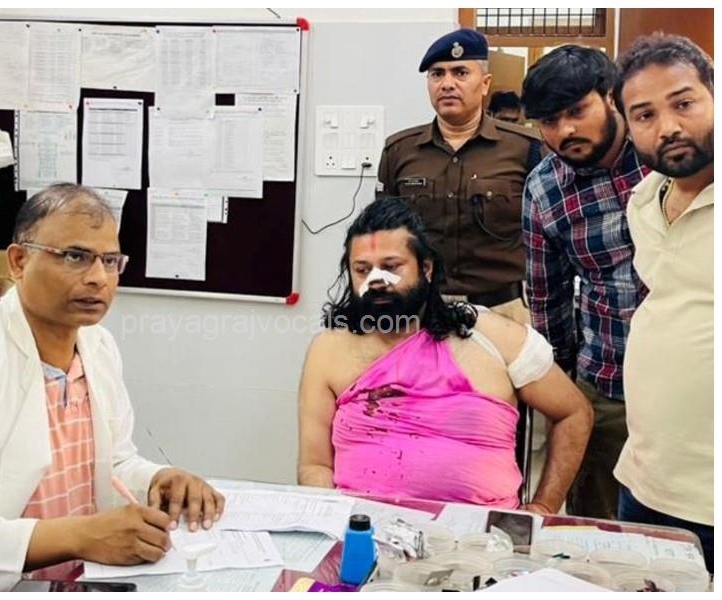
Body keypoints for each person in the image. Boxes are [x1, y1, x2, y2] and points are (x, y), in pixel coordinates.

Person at [0, 184, 225, 590]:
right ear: (19, 261)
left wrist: (158, 481)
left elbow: (109, 466)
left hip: (75, 581)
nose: (98, 278)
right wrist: (78, 536)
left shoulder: (97, 347)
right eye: (75, 257)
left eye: (110, 261)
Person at [297, 197, 592, 514]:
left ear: (426, 268)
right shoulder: (328, 350)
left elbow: (574, 413)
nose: (376, 281)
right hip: (363, 529)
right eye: (362, 270)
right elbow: (315, 465)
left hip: (478, 537)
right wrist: (332, 520)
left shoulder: (494, 337)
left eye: (391, 266)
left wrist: (544, 507)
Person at [519, 46, 651, 520]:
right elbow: (547, 299)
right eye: (549, 121)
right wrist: (566, 390)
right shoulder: (544, 189)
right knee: (598, 528)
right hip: (608, 382)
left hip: (694, 377)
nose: (565, 131)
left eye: (577, 111)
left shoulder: (661, 154)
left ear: (611, 97)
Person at [612, 34, 714, 572]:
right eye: (645, 115)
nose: (667, 126)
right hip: (645, 478)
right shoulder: (644, 200)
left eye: (684, 103)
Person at [377, 28, 543, 324]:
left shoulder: (525, 148)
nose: (447, 84)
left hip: (504, 311)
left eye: (460, 73)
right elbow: (384, 237)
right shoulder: (399, 151)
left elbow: (548, 238)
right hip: (421, 309)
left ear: (485, 83)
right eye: (437, 74)